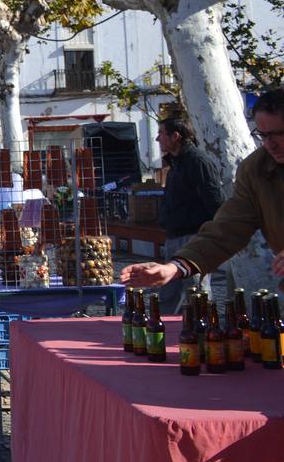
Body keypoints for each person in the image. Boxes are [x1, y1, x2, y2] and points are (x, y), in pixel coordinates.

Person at [122, 89, 284, 295]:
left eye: (278, 134)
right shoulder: (256, 169)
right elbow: (227, 227)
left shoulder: (197, 161)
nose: (269, 144)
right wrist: (175, 267)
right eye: (263, 135)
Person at [151, 114, 224, 312]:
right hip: (175, 236)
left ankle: (202, 336)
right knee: (169, 292)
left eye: (161, 134)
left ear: (176, 136)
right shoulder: (176, 163)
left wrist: (213, 236)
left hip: (194, 236)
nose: (158, 139)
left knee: (195, 291)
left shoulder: (197, 161)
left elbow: (214, 199)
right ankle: (163, 334)